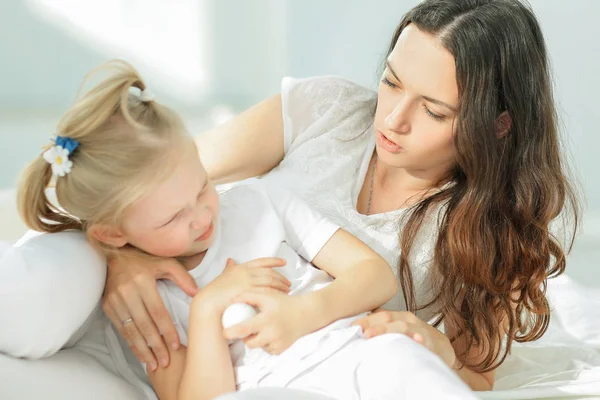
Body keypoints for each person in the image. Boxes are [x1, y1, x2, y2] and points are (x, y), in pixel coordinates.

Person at [101, 0, 580, 392]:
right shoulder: (323, 111)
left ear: (498, 126)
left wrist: (438, 352)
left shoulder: (494, 228)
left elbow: (477, 376)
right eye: (391, 82)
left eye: (433, 111)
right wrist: (121, 258)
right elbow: (145, 183)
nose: (392, 120)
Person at [15, 60, 475, 400]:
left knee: (407, 366)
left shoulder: (262, 199)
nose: (200, 216)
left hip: (360, 352)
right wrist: (208, 310)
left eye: (201, 186)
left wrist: (303, 315)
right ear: (114, 235)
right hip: (274, 388)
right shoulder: (152, 302)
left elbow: (373, 276)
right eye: (172, 218)